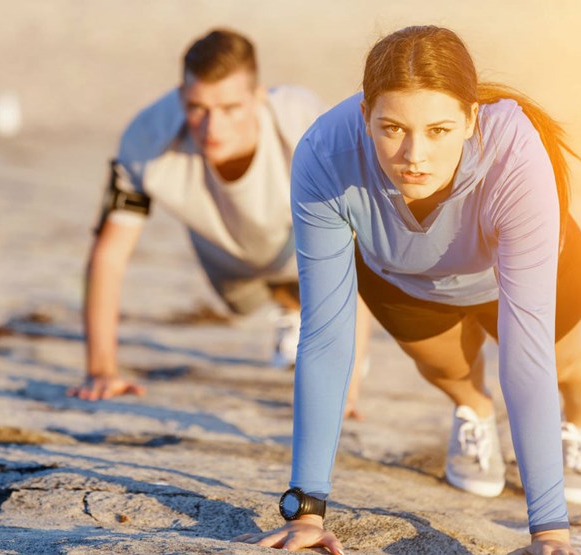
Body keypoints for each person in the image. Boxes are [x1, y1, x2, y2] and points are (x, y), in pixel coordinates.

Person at [234, 25, 581, 555]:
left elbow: (524, 352)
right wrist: (307, 510)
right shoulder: (324, 153)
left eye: (438, 130)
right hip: (407, 276)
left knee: (560, 357)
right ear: (365, 114)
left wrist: (549, 532)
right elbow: (325, 335)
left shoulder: (516, 157)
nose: (414, 155)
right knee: (447, 371)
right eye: (392, 127)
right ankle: (473, 411)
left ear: (471, 118)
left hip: (523, 270)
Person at [67, 28, 371, 418]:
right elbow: (108, 256)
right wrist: (100, 371)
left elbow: (356, 253)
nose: (213, 127)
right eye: (197, 108)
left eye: (230, 109)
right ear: (181, 97)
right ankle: (291, 309)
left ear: (259, 98)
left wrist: (345, 390)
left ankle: (306, 316)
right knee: (243, 301)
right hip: (226, 256)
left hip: (305, 239)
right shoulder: (146, 140)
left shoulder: (306, 125)